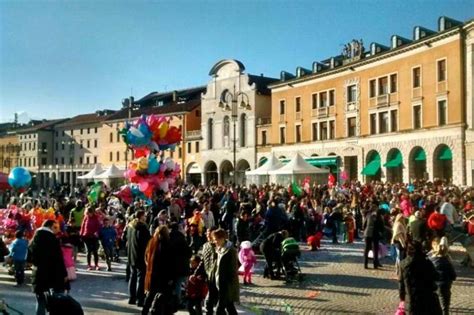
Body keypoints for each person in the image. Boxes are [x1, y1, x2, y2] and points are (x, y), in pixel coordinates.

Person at [29, 219, 67, 315]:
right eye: (55, 228)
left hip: (38, 272)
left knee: (40, 301)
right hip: (53, 274)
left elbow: (29, 257)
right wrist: (64, 274)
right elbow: (58, 259)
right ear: (50, 227)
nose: (57, 230)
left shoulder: (35, 238)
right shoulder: (52, 239)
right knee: (55, 301)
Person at [399, 239, 442, 315]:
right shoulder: (426, 262)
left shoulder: (403, 264)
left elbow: (401, 284)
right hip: (427, 297)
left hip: (411, 298)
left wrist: (402, 298)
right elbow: (436, 276)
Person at [142, 225, 174, 315]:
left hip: (152, 273)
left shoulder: (151, 242)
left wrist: (148, 265)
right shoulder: (167, 244)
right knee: (162, 296)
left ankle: (144, 312)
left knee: (150, 295)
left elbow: (146, 256)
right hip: (163, 275)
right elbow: (169, 262)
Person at [212, 228, 239, 315]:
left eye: (216, 239)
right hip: (220, 283)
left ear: (222, 238)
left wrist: (228, 285)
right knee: (230, 308)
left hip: (226, 286)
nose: (215, 242)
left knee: (218, 311)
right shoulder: (219, 249)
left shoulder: (230, 251)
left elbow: (233, 270)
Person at [127, 210, 151, 307]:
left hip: (131, 255)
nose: (145, 217)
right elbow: (147, 242)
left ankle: (132, 298)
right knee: (141, 278)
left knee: (132, 276)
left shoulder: (130, 227)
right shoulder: (142, 228)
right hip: (140, 256)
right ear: (141, 217)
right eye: (144, 216)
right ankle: (139, 299)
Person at [429, 237, 457, 315]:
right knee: (445, 305)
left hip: (433, 285)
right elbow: (453, 275)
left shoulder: (430, 259)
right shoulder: (447, 260)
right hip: (444, 285)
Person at [169, 222, 192, 309]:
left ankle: (172, 300)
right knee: (179, 284)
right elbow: (188, 252)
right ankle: (178, 301)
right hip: (182, 266)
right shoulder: (182, 238)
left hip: (172, 265)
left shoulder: (168, 237)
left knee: (174, 284)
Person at [79, 206, 102, 270]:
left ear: (92, 212)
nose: (89, 214)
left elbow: (99, 226)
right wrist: (81, 235)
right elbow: (82, 226)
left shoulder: (96, 217)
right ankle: (89, 265)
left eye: (90, 213)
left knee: (95, 251)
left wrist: (97, 232)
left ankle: (96, 264)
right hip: (86, 236)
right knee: (88, 251)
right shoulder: (86, 217)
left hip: (94, 236)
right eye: (87, 213)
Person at [202, 227, 218, 315]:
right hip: (209, 276)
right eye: (207, 233)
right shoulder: (205, 245)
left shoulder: (219, 246)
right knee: (211, 301)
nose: (208, 235)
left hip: (218, 277)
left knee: (211, 301)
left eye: (209, 234)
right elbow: (203, 261)